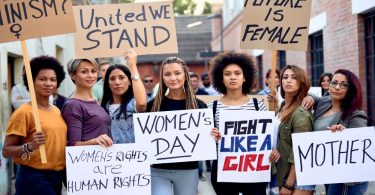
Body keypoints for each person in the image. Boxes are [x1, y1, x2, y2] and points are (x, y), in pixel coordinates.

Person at [208, 52, 280, 195]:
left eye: (237, 73)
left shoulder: (258, 105)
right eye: (227, 74)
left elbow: (267, 136)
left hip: (254, 169)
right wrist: (211, 135)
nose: (233, 77)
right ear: (221, 78)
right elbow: (206, 142)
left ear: (245, 77)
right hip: (223, 170)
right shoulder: (212, 107)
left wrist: (273, 151)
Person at [2, 56, 67, 195]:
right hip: (34, 178)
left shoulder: (56, 110)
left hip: (56, 177)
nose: (48, 83)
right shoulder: (23, 112)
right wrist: (29, 146)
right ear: (32, 82)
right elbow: (6, 150)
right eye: (42, 79)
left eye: (53, 79)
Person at [147, 57, 210, 195]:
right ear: (162, 77)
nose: (172, 78)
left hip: (188, 170)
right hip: (158, 170)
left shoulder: (199, 106)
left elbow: (207, 138)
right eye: (167, 74)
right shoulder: (153, 106)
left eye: (177, 73)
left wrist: (213, 135)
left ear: (185, 75)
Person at [312, 69, 368, 195]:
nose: (337, 87)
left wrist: (345, 133)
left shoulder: (356, 115)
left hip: (347, 180)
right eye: (334, 83)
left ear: (351, 89)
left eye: (344, 85)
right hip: (329, 172)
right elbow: (315, 97)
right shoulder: (324, 103)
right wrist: (310, 97)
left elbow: (359, 144)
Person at [275, 65, 314, 195]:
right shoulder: (281, 107)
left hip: (297, 180)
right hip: (282, 172)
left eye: (294, 77)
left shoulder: (301, 113)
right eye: (285, 77)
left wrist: (289, 184)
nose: (288, 80)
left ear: (302, 83)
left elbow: (300, 151)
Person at [62, 58, 112, 147]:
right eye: (84, 72)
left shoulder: (95, 101)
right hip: (88, 159)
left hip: (105, 158)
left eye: (93, 71)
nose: (90, 75)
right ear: (73, 75)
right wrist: (94, 141)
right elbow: (73, 144)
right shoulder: (73, 105)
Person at [101, 50, 147, 144]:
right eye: (112, 79)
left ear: (130, 81)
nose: (117, 82)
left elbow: (142, 104)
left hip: (133, 156)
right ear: (108, 84)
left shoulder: (133, 104)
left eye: (121, 77)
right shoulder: (102, 108)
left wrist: (133, 66)